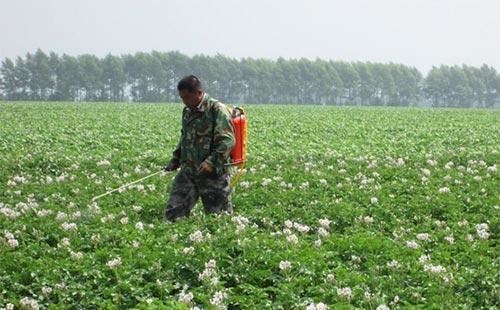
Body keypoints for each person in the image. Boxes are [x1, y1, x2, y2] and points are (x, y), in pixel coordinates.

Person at [163, 75, 235, 221]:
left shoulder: (217, 109)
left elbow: (227, 141)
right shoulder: (187, 111)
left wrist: (211, 162)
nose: (185, 101)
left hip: (213, 175)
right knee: (173, 214)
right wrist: (176, 158)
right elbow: (185, 138)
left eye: (187, 97)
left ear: (199, 92)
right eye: (182, 98)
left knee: (218, 220)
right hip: (188, 172)